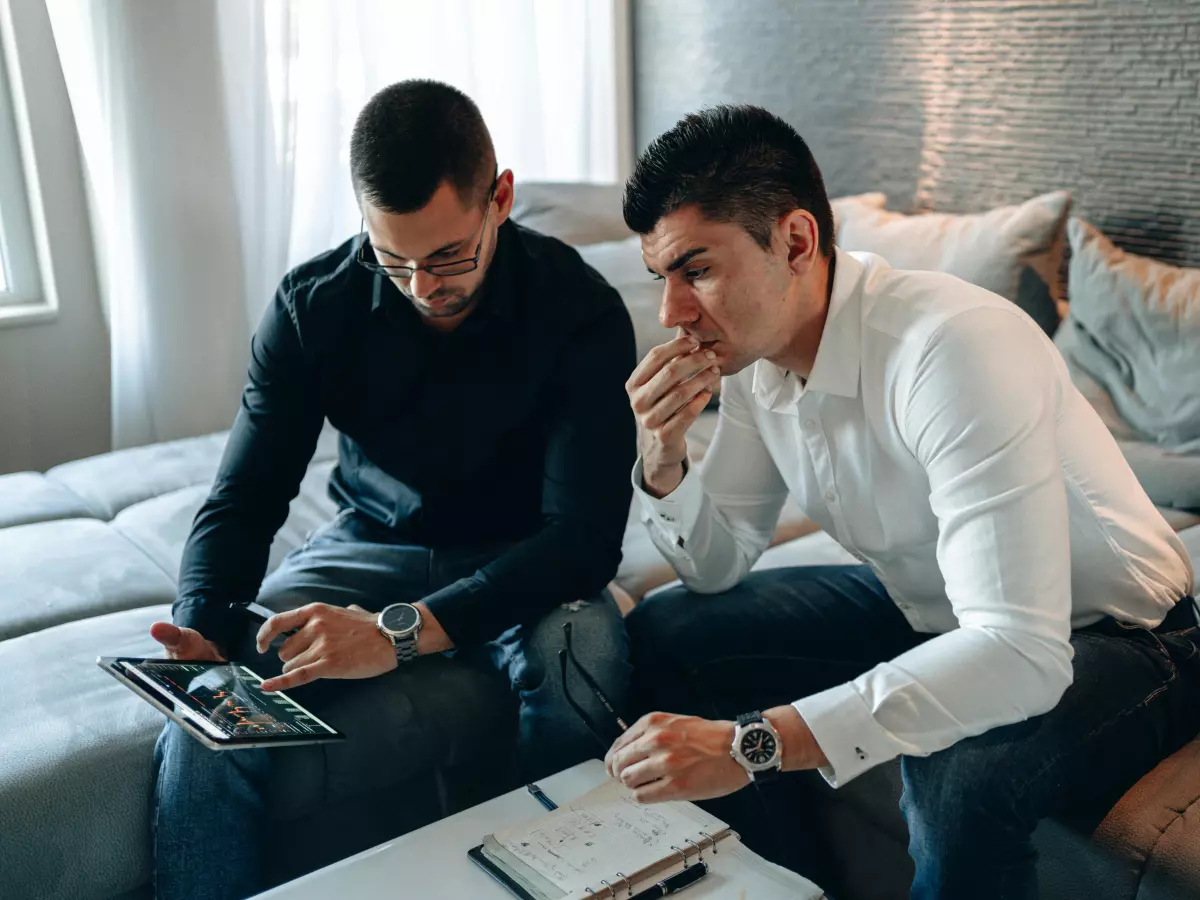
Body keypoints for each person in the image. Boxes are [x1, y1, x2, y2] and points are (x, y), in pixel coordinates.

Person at [604, 104, 1199, 900]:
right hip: (935, 605)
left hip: (1125, 638)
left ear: (796, 240)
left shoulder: (951, 346)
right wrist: (663, 457)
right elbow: (714, 567)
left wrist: (753, 743)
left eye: (697, 270)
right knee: (673, 629)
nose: (672, 313)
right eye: (662, 278)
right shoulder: (753, 365)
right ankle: (792, 886)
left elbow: (1019, 651)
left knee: (953, 774)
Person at [148, 80, 636, 900]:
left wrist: (400, 635)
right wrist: (204, 620)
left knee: (582, 656)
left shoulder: (579, 309)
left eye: (448, 256)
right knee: (207, 716)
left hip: (527, 555)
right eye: (393, 258)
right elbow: (245, 496)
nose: (422, 287)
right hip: (371, 540)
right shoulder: (313, 307)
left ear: (501, 199)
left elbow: (583, 541)